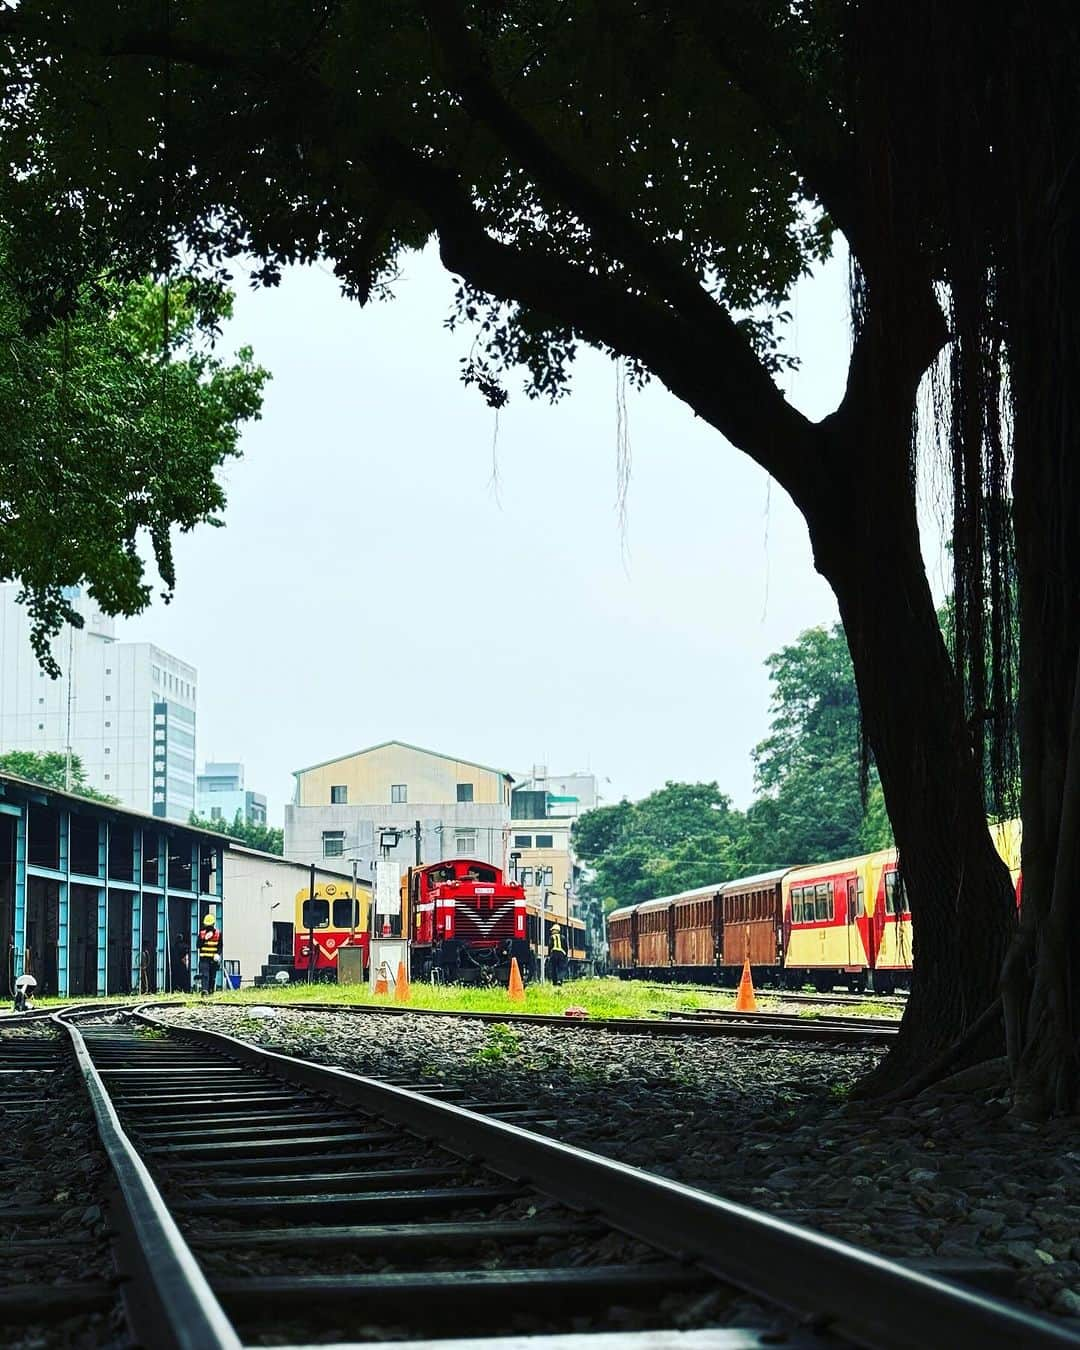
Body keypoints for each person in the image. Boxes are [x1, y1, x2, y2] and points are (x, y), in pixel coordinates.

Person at [196, 912, 221, 995]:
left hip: (213, 960)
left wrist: (218, 954)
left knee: (212, 977)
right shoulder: (202, 933)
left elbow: (220, 946)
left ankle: (210, 991)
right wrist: (204, 939)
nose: (209, 927)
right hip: (204, 959)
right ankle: (204, 990)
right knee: (205, 975)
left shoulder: (218, 934)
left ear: (213, 924)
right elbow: (198, 945)